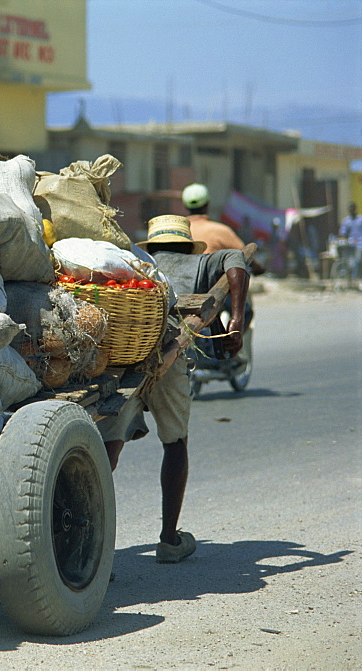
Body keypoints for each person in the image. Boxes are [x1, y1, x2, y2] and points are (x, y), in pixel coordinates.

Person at [99, 214, 250, 564]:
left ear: (153, 243)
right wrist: (237, 320)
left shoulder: (138, 261)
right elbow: (237, 259)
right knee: (175, 441)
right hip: (170, 350)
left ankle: (96, 541)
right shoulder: (201, 261)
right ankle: (169, 539)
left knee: (111, 445)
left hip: (126, 349)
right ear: (187, 243)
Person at [182, 182, 265, 275]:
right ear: (207, 204)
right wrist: (258, 267)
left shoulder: (179, 231)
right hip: (213, 286)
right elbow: (244, 255)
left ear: (185, 206)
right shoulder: (221, 230)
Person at [337, 202, 362, 281]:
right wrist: (341, 234)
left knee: (357, 260)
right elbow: (343, 232)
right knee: (348, 261)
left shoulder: (360, 219)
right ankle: (348, 278)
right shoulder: (346, 221)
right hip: (350, 243)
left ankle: (355, 278)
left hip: (360, 244)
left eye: (353, 209)